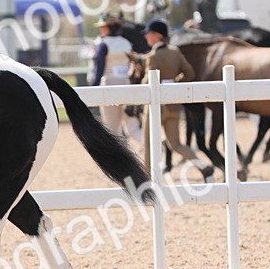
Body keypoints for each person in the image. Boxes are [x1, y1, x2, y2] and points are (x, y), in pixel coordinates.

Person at [139, 19, 212, 180]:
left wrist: (139, 74)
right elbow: (189, 73)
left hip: (155, 109)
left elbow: (147, 82)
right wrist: (174, 85)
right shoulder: (175, 52)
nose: (146, 37)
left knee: (149, 143)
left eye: (149, 34)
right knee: (176, 144)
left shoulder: (152, 56)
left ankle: (146, 177)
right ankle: (203, 166)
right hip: (173, 106)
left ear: (157, 35)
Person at [87, 14, 132, 136]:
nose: (101, 30)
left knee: (111, 127)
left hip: (108, 84)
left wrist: (93, 88)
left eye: (103, 27)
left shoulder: (103, 44)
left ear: (108, 28)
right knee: (130, 124)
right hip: (126, 84)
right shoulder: (127, 43)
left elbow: (99, 70)